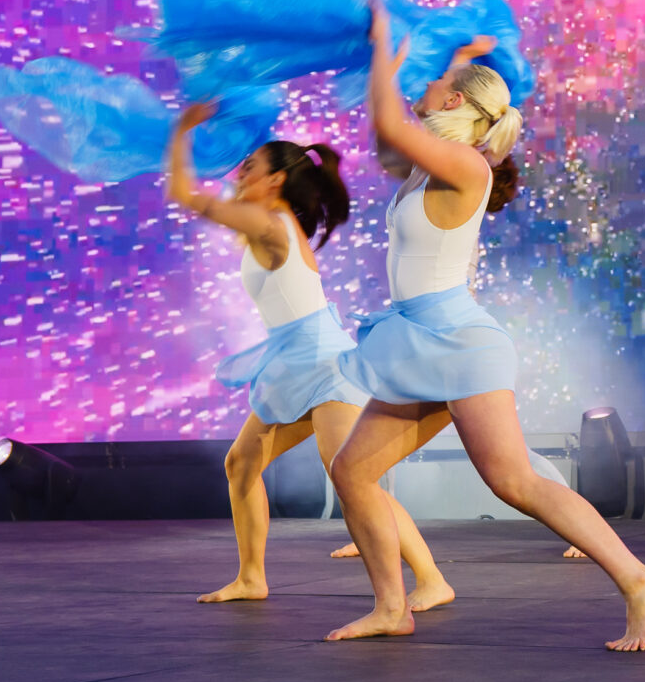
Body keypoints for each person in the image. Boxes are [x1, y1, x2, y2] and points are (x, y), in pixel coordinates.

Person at [323, 10, 645, 647]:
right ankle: (392, 608)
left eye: (434, 82)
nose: (423, 88)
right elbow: (384, 138)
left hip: (458, 344)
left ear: (453, 100)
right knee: (352, 472)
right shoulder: (426, 166)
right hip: (421, 341)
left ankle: (636, 577)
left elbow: (387, 121)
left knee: (513, 481)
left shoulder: (467, 164)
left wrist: (379, 47)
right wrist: (398, 64)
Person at [164, 103, 451, 608]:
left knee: (352, 477)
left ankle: (430, 579)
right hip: (292, 361)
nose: (238, 172)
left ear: (275, 180)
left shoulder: (268, 223)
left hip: (323, 366)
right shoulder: (266, 221)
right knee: (241, 463)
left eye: (249, 166)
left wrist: (183, 129)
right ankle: (251, 577)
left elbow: (184, 195)